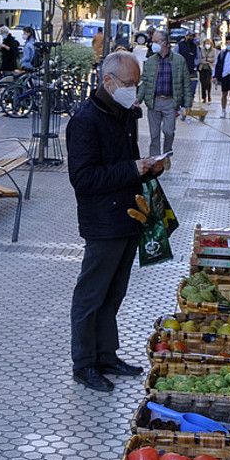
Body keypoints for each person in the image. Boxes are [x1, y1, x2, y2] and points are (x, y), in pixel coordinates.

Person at [66, 51, 169, 392]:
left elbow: (126, 162)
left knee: (114, 293)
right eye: (129, 84)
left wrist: (148, 166)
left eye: (137, 85)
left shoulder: (125, 113)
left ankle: (107, 355)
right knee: (91, 294)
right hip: (102, 221)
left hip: (128, 214)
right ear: (108, 82)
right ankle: (84, 363)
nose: (134, 91)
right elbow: (82, 178)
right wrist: (133, 169)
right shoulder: (84, 121)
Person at [137, 30, 189, 156]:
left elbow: (185, 82)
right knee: (154, 135)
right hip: (154, 102)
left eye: (156, 41)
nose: (153, 44)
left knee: (168, 131)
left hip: (170, 102)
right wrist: (138, 99)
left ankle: (167, 153)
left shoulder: (179, 60)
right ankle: (155, 160)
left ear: (164, 43)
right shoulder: (150, 61)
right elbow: (144, 82)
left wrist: (187, 104)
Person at [177, 30, 200, 108]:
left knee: (191, 90)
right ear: (185, 36)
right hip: (181, 72)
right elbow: (174, 57)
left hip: (192, 72)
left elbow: (198, 58)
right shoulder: (179, 45)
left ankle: (188, 107)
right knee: (181, 91)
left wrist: (194, 64)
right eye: (189, 36)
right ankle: (182, 107)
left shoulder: (195, 47)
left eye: (192, 36)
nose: (190, 37)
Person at [198, 38, 216, 103]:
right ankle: (204, 97)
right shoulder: (201, 50)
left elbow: (214, 59)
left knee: (207, 82)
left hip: (209, 68)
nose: (207, 45)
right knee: (202, 83)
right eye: (206, 43)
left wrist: (207, 60)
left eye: (208, 43)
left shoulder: (213, 50)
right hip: (202, 68)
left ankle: (209, 94)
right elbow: (200, 59)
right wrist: (204, 60)